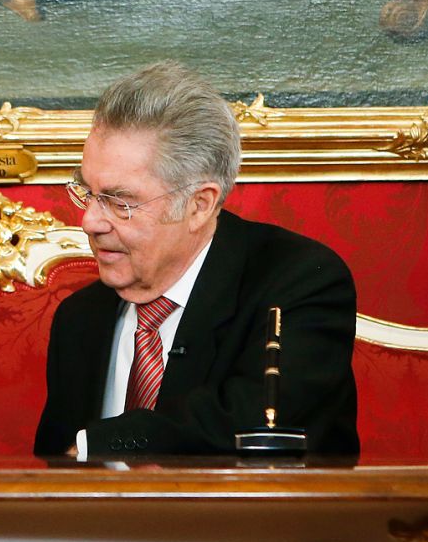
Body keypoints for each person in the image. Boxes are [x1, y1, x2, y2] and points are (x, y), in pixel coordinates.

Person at [34, 63, 359, 457]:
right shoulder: (80, 318)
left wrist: (98, 443)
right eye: (87, 192)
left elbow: (259, 426)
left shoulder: (297, 284)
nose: (89, 221)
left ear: (199, 205)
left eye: (119, 202)